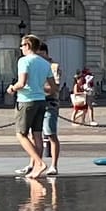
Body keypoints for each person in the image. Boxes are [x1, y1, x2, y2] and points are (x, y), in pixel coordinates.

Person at [5, 34, 54, 178]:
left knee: (21, 134)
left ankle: (39, 163)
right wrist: (39, 89)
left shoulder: (24, 61)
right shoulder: (45, 63)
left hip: (26, 101)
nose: (21, 48)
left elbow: (22, 83)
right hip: (41, 101)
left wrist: (12, 89)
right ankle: (37, 168)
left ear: (27, 45)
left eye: (22, 45)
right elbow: (52, 87)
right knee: (37, 134)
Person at [36, 40, 62, 176]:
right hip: (36, 102)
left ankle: (54, 165)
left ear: (46, 53)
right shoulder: (34, 66)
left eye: (40, 54)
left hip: (50, 103)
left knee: (51, 134)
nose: (38, 57)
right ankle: (34, 164)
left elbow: (54, 88)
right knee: (35, 135)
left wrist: (37, 88)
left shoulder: (53, 67)